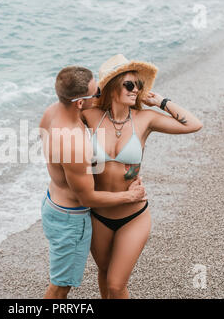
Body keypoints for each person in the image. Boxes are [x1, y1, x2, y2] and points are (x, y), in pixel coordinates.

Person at [82, 54, 203, 299]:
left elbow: (193, 124)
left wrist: (161, 101)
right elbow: (64, 109)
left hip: (133, 215)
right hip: (99, 214)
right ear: (113, 86)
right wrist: (97, 93)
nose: (136, 89)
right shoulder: (91, 116)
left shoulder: (144, 119)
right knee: (104, 274)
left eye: (139, 85)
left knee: (116, 284)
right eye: (129, 84)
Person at [39, 66, 148, 299]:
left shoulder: (52, 112)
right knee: (60, 286)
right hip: (70, 219)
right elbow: (86, 197)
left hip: (52, 203)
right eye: (96, 92)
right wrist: (130, 196)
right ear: (80, 102)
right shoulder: (75, 144)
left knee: (67, 280)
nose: (100, 94)